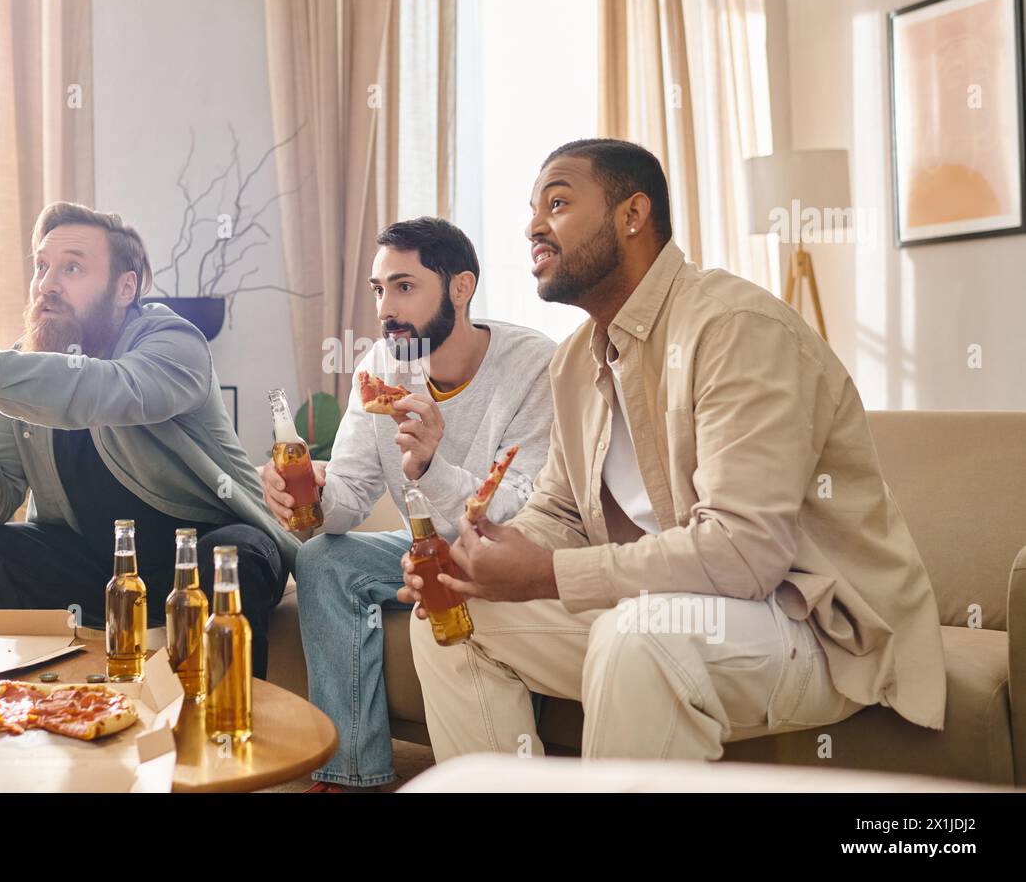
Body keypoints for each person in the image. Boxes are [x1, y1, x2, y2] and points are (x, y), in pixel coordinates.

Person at [399, 139, 947, 761]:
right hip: (670, 607)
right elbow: (558, 513)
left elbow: (745, 554)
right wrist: (475, 561)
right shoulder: (575, 360)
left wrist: (549, 575)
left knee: (638, 639)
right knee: (453, 618)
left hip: (808, 621)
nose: (533, 226)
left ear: (632, 216)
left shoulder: (735, 329)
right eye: (532, 209)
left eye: (557, 201)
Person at [0, 202, 296, 678]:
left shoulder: (172, 341)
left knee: (233, 558)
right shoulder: (27, 361)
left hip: (198, 550)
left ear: (126, 287)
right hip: (101, 567)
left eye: (71, 267)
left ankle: (221, 739)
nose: (47, 284)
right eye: (41, 267)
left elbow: (104, 389)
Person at [261, 217, 555, 790]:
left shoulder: (533, 366)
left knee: (474, 573)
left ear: (460, 288)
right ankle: (350, 772)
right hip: (423, 544)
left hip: (505, 552)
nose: (385, 308)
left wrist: (431, 467)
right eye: (378, 289)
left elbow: (522, 511)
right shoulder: (379, 366)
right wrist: (314, 493)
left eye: (404, 286)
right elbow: (348, 497)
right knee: (324, 556)